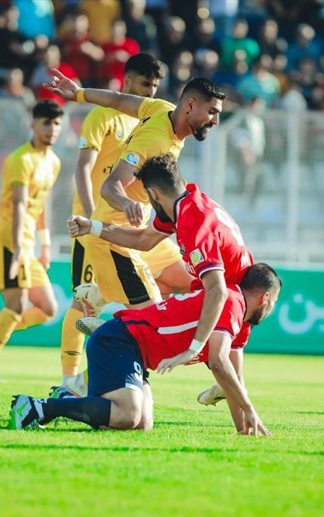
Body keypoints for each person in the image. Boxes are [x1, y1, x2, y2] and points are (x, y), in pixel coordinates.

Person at [43, 66, 225, 377]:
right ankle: (86, 373)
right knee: (155, 327)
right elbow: (110, 186)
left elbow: (118, 99)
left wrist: (80, 93)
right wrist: (128, 204)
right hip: (115, 240)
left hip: (142, 236)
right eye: (212, 112)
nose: (215, 121)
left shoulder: (162, 110)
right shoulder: (153, 142)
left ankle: (99, 296)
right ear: (190, 105)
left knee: (197, 284)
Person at [9, 263, 281, 435]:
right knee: (128, 415)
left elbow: (232, 378)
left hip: (134, 352)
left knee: (141, 425)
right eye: (273, 302)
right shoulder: (231, 303)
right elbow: (219, 363)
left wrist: (244, 431)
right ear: (265, 298)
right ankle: (36, 407)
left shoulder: (238, 318)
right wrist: (250, 409)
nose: (271, 309)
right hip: (120, 340)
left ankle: (69, 400)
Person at [68, 153, 254, 401]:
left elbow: (216, 290)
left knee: (171, 332)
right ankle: (109, 319)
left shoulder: (192, 220)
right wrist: (92, 226)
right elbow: (143, 240)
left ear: (153, 194)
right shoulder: (188, 204)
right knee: (178, 324)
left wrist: (195, 347)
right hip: (238, 290)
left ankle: (112, 323)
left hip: (229, 294)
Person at [55, 53, 180, 398]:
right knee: (81, 305)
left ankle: (111, 333)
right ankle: (69, 380)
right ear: (127, 81)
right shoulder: (102, 116)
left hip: (132, 226)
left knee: (169, 286)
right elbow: (83, 168)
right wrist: (91, 218)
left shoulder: (146, 121)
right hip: (95, 222)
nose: (150, 92)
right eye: (145, 84)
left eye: (155, 86)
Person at [0, 100, 64, 382]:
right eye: (46, 123)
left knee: (47, 308)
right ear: (33, 124)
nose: (52, 129)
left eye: (56, 123)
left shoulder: (53, 162)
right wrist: (19, 248)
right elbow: (19, 205)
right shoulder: (20, 160)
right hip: (9, 240)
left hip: (29, 245)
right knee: (16, 306)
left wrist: (45, 244)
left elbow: (41, 205)